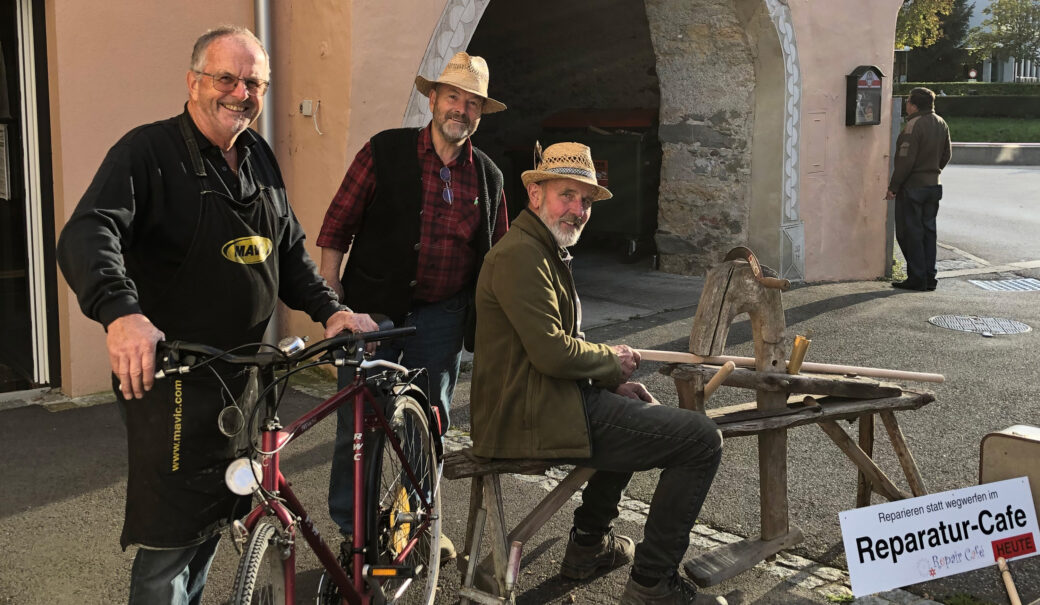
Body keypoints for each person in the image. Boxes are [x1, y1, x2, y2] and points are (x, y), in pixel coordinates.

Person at [56, 26, 370, 605]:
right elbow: (87, 230)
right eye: (226, 78)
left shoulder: (258, 156)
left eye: (254, 82)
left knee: (220, 518)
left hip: (247, 379)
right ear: (193, 81)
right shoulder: (147, 152)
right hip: (173, 383)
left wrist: (332, 310)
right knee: (170, 543)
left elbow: (291, 253)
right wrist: (120, 312)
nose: (240, 92)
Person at [470, 142, 726, 605]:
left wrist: (611, 381)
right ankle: (653, 583)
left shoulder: (543, 248)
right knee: (701, 440)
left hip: (543, 401)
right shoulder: (521, 255)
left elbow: (548, 351)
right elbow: (551, 352)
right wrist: (612, 360)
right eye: (567, 196)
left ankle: (587, 547)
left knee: (629, 405)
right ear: (536, 195)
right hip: (525, 416)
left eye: (585, 201)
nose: (578, 210)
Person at [317, 51, 509, 553]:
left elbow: (497, 260)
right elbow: (337, 227)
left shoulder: (487, 176)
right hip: (371, 312)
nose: (461, 110)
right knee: (360, 424)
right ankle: (353, 530)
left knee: (429, 423)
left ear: (479, 115)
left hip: (442, 316)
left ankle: (416, 525)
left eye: (472, 104)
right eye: (453, 97)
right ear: (432, 99)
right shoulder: (384, 150)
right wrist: (332, 301)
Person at [886, 86, 952, 291]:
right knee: (928, 233)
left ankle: (916, 277)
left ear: (914, 105)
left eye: (907, 101)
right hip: (933, 186)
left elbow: (905, 161)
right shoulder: (941, 123)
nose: (906, 105)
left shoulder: (913, 126)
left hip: (912, 188)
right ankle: (929, 277)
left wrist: (893, 187)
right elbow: (947, 154)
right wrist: (933, 171)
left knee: (909, 233)